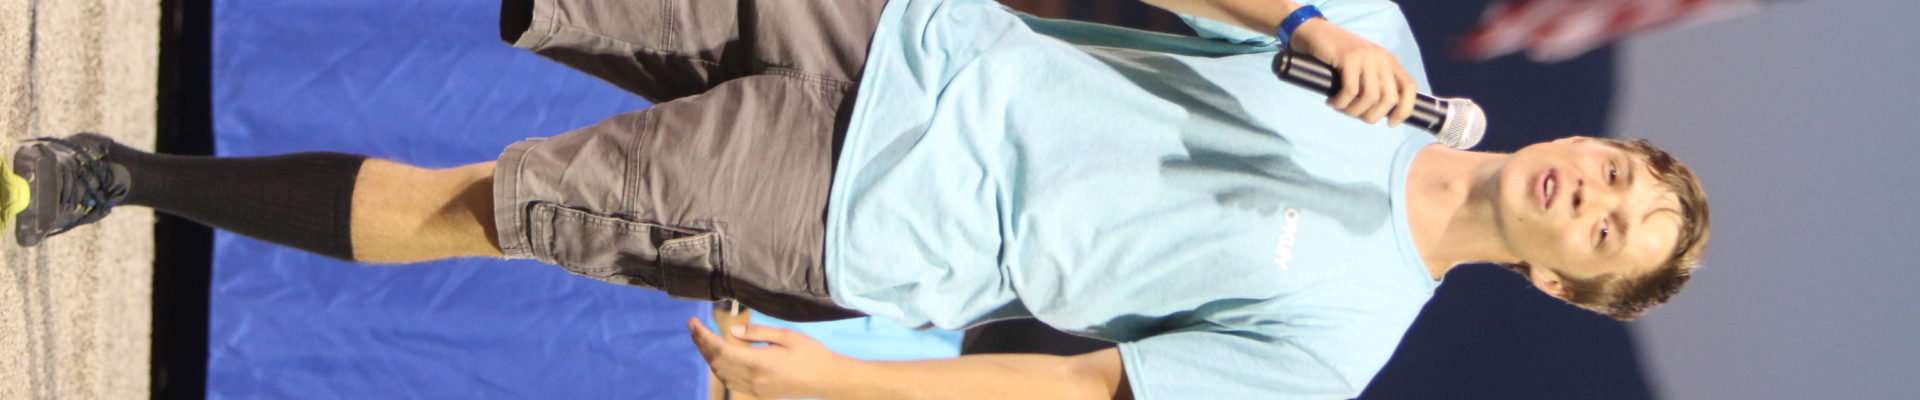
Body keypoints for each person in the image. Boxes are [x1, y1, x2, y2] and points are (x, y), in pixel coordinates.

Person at [6, 0, 1710, 398]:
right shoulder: (1381, 43)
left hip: (858, 212)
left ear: (1562, 283)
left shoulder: (1337, 347)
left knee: (488, 204)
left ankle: (118, 178)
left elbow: (1078, 390)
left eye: (1608, 230)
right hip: (903, 27)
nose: (1594, 191)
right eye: (1623, 178)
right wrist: (1299, 20)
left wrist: (839, 381)